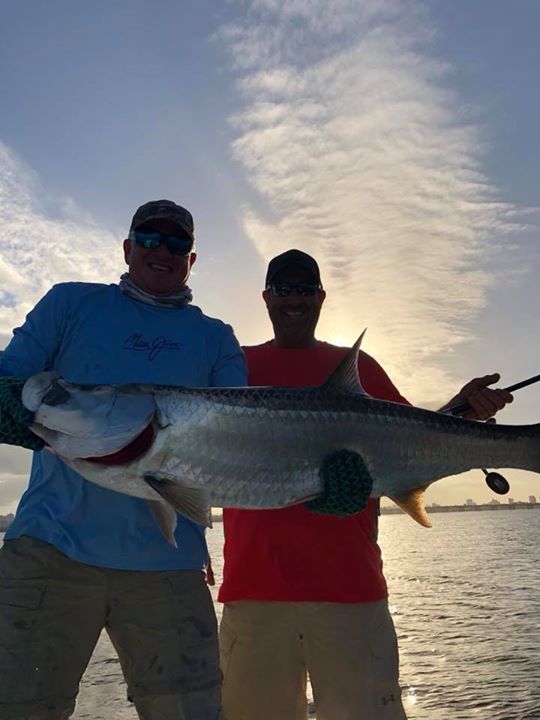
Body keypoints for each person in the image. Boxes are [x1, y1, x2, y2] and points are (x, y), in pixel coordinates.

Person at [218, 249, 513, 720]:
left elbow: (410, 444)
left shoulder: (360, 367)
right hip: (253, 595)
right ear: (266, 298)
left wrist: (461, 409)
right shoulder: (231, 366)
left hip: (350, 591)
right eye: (283, 289)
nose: (294, 299)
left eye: (304, 289)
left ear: (321, 297)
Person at [0, 199, 247, 720]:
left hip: (170, 561)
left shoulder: (217, 339)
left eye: (176, 243)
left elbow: (241, 444)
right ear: (128, 247)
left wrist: (319, 481)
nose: (163, 250)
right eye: (150, 239)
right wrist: (7, 402)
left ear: (191, 259)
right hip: (50, 550)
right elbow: (11, 376)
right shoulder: (70, 305)